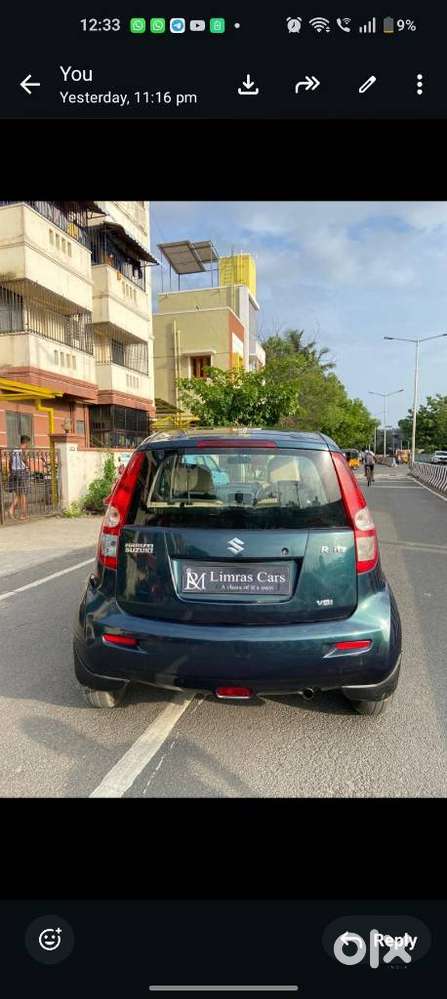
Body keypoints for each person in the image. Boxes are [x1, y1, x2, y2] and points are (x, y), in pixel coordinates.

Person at [8, 434, 31, 520]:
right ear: (26, 442)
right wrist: (28, 463)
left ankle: (11, 510)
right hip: (22, 472)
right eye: (28, 443)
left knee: (18, 494)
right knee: (23, 494)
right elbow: (24, 460)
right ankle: (23, 515)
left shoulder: (14, 450)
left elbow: (10, 462)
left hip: (14, 472)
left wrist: (11, 471)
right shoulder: (23, 450)